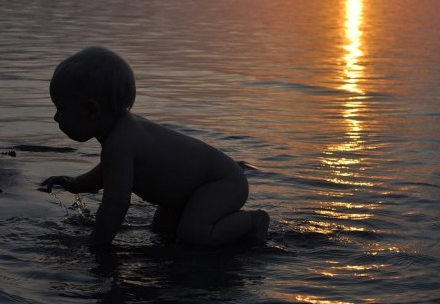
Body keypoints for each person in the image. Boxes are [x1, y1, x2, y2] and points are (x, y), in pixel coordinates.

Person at [39, 46, 269, 247]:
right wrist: (77, 184)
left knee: (194, 236)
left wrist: (96, 246)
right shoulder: (120, 135)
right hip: (191, 189)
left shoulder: (120, 142)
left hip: (220, 182)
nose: (56, 117)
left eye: (61, 109)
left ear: (91, 110)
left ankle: (252, 221)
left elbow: (116, 204)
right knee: (161, 230)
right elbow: (109, 172)